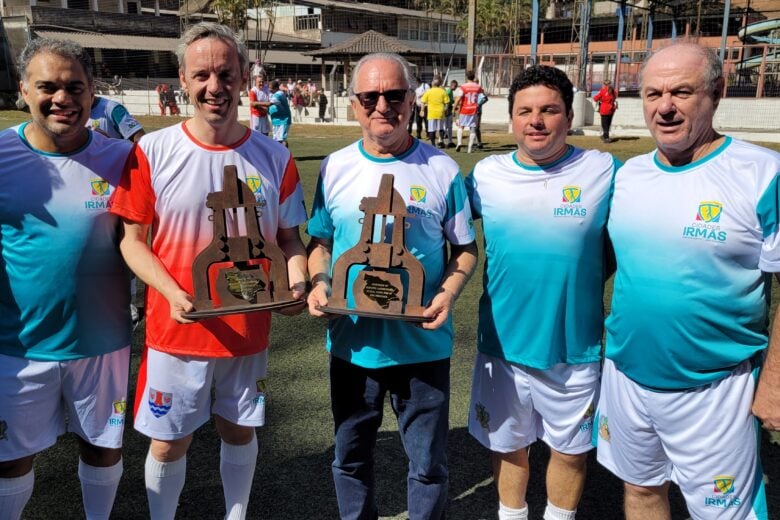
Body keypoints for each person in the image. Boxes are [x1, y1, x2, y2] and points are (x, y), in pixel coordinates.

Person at [109, 22, 307, 520]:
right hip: (177, 330)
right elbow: (132, 243)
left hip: (247, 329)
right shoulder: (152, 152)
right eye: (201, 74)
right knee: (167, 442)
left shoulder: (275, 157)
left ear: (243, 77)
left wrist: (298, 281)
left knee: (239, 429)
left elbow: (289, 239)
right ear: (182, 78)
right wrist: (173, 293)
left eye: (225, 73)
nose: (214, 86)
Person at [595, 41, 780, 520]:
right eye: (653, 94)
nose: (665, 107)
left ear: (716, 93)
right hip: (627, 375)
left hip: (717, 388)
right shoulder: (630, 174)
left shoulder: (763, 173)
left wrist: (776, 383)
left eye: (681, 91)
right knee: (640, 491)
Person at [307, 52, 478, 519]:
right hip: (352, 343)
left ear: (412, 97)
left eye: (394, 94)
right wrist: (319, 283)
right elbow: (319, 242)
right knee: (350, 459)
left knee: (427, 466)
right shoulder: (335, 166)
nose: (383, 105)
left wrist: (445, 294)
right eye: (370, 96)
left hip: (421, 346)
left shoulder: (442, 169)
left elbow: (465, 249)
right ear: (355, 103)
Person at [466, 65, 618, 520]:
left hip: (574, 347)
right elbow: (443, 235)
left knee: (570, 451)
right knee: (508, 446)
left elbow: (621, 247)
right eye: (525, 111)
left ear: (569, 116)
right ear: (511, 119)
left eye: (549, 110)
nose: (536, 120)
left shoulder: (604, 170)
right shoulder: (485, 175)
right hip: (502, 344)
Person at [0, 38, 134, 520]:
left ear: (92, 91)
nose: (63, 98)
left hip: (103, 344)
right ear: (23, 90)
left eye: (75, 86)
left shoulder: (123, 160)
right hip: (18, 347)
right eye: (48, 87)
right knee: (10, 459)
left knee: (102, 448)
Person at [454, 70, 484, 153]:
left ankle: (459, 143)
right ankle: (470, 148)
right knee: (473, 129)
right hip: (473, 110)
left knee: (461, 127)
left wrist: (454, 108)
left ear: (467, 77)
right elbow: (483, 96)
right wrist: (479, 104)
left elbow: (458, 98)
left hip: (464, 110)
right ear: (473, 76)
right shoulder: (478, 87)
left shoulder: (463, 87)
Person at [420, 77, 450, 148]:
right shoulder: (443, 91)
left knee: (431, 129)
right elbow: (447, 103)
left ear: (433, 83)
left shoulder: (428, 91)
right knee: (441, 129)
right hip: (440, 112)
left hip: (431, 113)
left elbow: (422, 102)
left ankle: (433, 144)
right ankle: (441, 141)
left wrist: (422, 110)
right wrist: (445, 110)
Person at [269, 79, 292, 147]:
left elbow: (270, 103)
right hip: (276, 120)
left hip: (283, 120)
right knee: (277, 140)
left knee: (282, 139)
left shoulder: (279, 94)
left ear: (275, 88)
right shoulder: (273, 94)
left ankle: (285, 156)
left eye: (270, 88)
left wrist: (256, 104)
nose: (269, 89)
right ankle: (280, 155)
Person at [443, 79, 457, 148]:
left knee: (449, 127)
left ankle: (450, 141)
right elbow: (446, 101)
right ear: (453, 85)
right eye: (456, 86)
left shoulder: (450, 91)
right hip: (447, 112)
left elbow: (450, 100)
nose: (456, 88)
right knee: (446, 126)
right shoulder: (448, 91)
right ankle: (444, 141)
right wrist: (448, 109)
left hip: (449, 111)